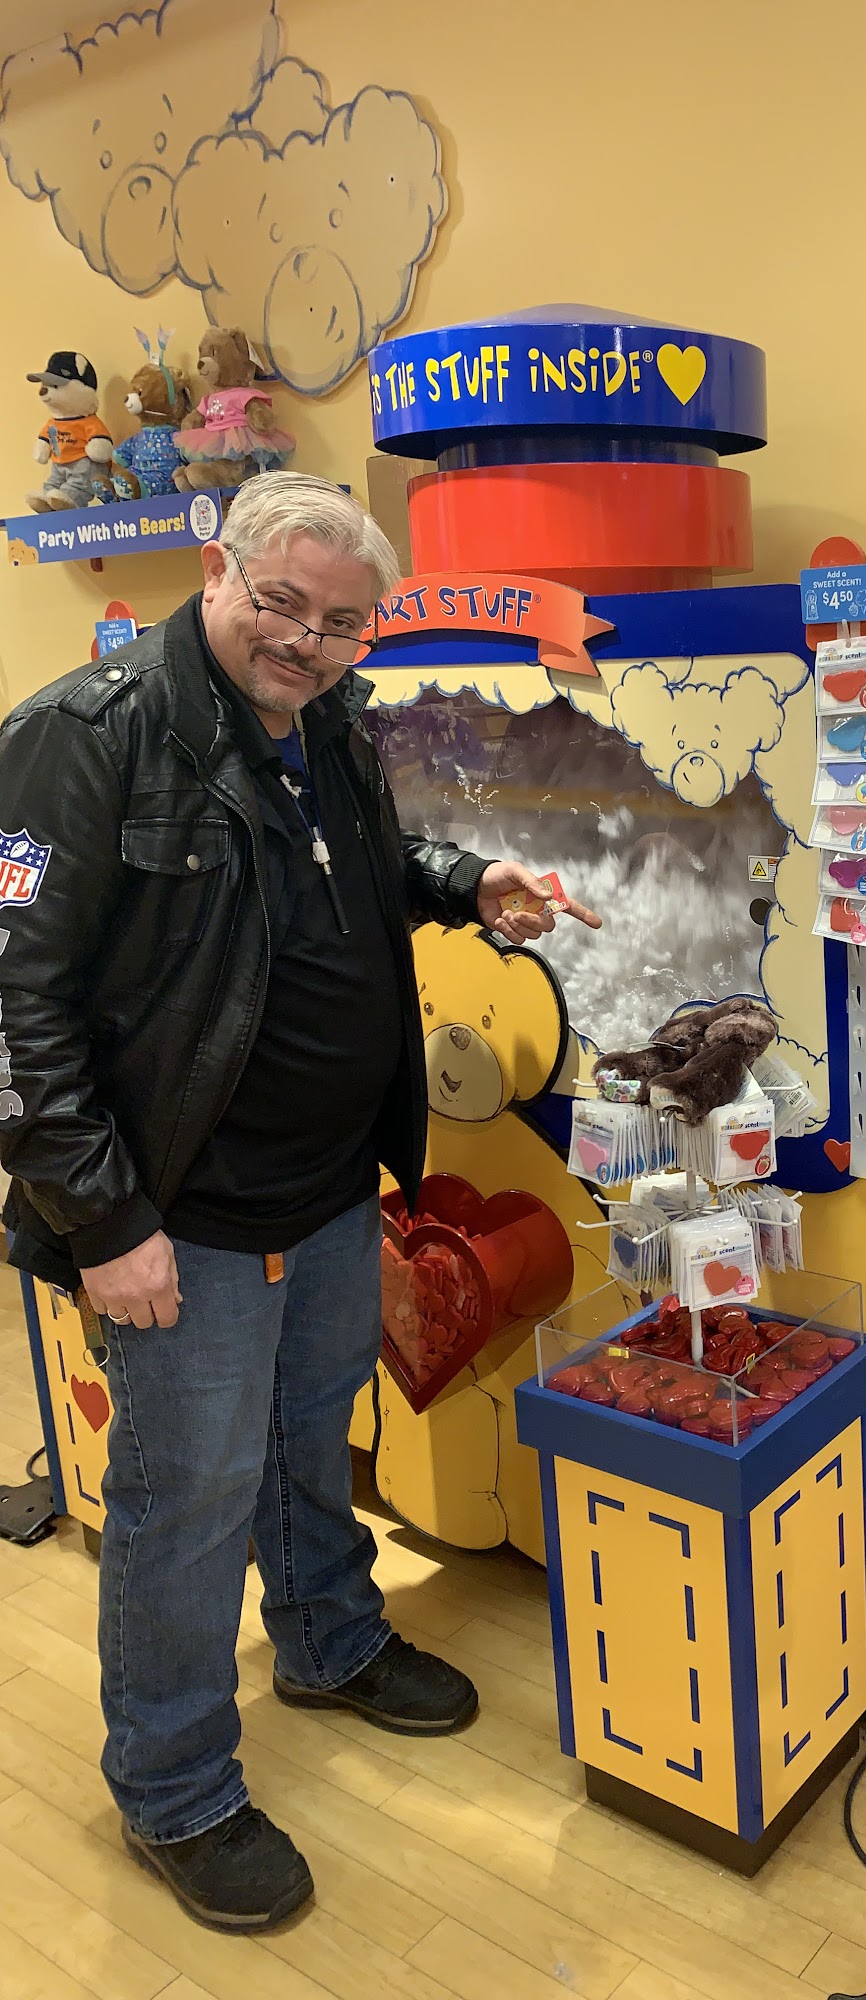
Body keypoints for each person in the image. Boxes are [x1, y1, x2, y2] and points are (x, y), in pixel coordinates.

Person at [0, 472, 601, 1934]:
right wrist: (104, 1221)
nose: (310, 642)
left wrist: (467, 881)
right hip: (179, 1213)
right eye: (283, 605)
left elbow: (355, 868)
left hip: (331, 1184)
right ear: (217, 570)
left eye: (343, 623)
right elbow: (13, 1004)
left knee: (306, 1433)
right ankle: (174, 1785)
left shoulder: (323, 715)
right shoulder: (84, 734)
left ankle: (329, 1638)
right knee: (185, 1501)